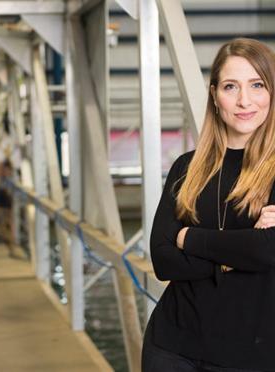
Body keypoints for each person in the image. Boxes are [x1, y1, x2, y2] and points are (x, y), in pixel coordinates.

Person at [142, 38, 275, 372]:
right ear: (215, 96)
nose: (244, 100)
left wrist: (188, 238)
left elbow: (267, 250)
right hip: (172, 348)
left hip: (251, 356)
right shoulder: (187, 168)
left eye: (257, 85)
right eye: (231, 86)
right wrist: (239, 253)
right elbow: (163, 260)